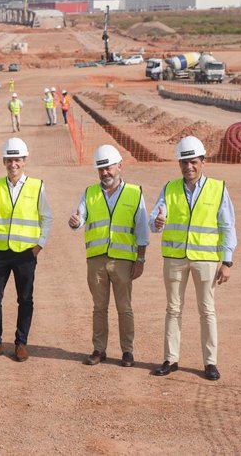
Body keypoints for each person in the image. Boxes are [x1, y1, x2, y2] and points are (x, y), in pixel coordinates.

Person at [150, 136, 236, 381]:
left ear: (203, 162)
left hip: (206, 260)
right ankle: (170, 359)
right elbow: (154, 220)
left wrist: (227, 261)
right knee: (173, 309)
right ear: (179, 164)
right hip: (175, 258)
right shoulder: (170, 188)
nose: (188, 167)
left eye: (193, 162)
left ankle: (210, 363)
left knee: (207, 311)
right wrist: (156, 223)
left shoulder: (218, 188)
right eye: (184, 162)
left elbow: (228, 226)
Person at [0, 138, 53, 362]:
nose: (13, 163)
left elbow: (47, 217)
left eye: (17, 159)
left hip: (26, 253)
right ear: (4, 161)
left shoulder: (37, 186)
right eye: (9, 159)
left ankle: (21, 343)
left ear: (24, 161)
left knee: (25, 299)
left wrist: (39, 245)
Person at [68, 145, 149, 368]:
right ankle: (99, 349)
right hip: (96, 260)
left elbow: (142, 230)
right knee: (99, 307)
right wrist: (75, 222)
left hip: (123, 261)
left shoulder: (134, 193)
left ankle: (127, 351)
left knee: (125, 308)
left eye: (109, 167)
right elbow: (79, 218)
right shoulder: (90, 193)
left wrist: (140, 259)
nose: (105, 173)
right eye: (101, 169)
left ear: (119, 166)